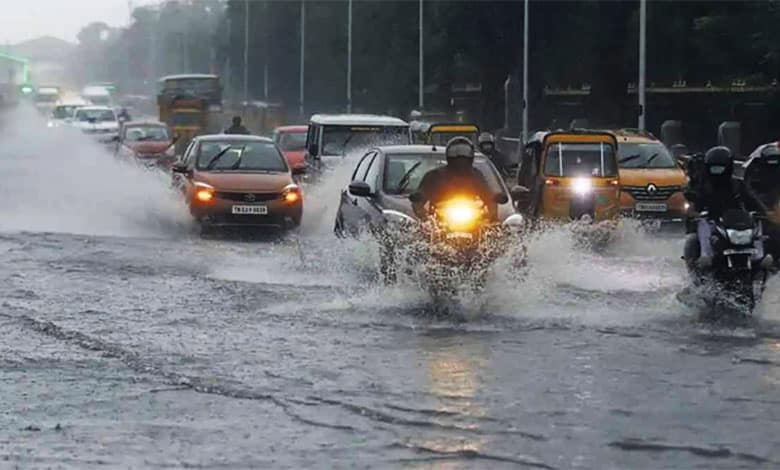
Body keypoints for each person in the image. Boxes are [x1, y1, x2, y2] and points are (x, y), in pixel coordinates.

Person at [686, 146, 767, 268]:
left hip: (736, 221)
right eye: (714, 168)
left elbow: (752, 199)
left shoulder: (737, 184)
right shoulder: (704, 185)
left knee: (757, 224)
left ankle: (759, 256)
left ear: (729, 167)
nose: (717, 172)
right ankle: (706, 255)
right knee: (703, 224)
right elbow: (695, 202)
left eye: (720, 168)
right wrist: (694, 212)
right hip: (713, 220)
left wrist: (764, 211)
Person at [412, 136, 499, 221]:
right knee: (420, 233)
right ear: (448, 156)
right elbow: (420, 196)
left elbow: (488, 194)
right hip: (439, 222)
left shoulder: (476, 175)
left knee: (494, 232)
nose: (460, 159)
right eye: (456, 154)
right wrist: (424, 216)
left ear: (471, 156)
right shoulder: (434, 176)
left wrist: (491, 214)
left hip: (473, 221)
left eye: (464, 155)